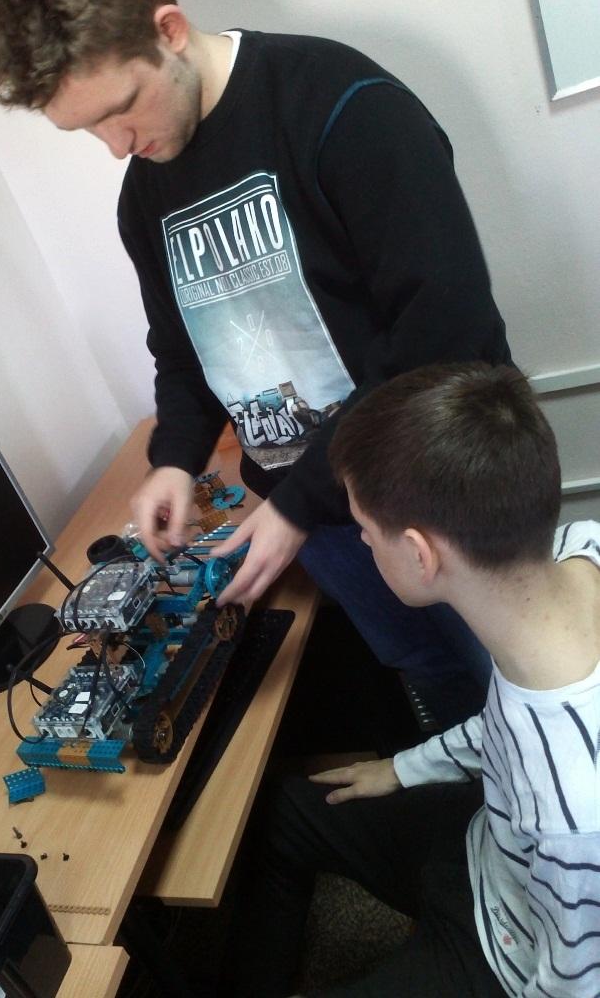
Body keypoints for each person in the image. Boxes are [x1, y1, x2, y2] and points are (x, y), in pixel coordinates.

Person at [0, 0, 512, 727]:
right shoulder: (145, 200)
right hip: (322, 520)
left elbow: (447, 336)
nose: (116, 145)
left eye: (121, 107)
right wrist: (174, 459)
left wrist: (300, 501)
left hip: (440, 483)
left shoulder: (346, 107)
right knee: (425, 669)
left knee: (511, 676)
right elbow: (182, 351)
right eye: (87, 129)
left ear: (169, 30)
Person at [222, 362, 600, 998]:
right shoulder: (580, 548)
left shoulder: (574, 818)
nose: (364, 545)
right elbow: (507, 726)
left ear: (421, 554)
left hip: (508, 962)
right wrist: (403, 769)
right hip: (489, 847)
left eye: (366, 533)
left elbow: (573, 988)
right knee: (286, 811)